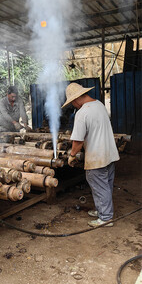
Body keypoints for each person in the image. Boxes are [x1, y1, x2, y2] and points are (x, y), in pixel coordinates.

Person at [62, 82, 120, 227]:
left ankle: (105, 218)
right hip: (109, 153)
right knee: (106, 185)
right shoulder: (99, 104)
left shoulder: (82, 113)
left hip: (97, 157)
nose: (74, 106)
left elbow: (78, 141)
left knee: (99, 186)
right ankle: (102, 210)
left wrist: (72, 155)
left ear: (75, 100)